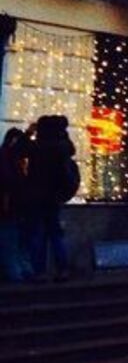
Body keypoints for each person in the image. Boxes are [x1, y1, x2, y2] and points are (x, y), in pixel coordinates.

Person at [26, 116, 78, 281]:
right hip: (54, 197)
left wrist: (28, 133)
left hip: (37, 197)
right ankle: (63, 269)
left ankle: (39, 271)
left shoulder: (39, 147)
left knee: (38, 235)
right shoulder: (63, 147)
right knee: (56, 235)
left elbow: (20, 148)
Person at [0, 129, 32, 282]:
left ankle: (17, 272)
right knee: (13, 241)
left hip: (14, 208)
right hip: (13, 207)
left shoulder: (9, 157)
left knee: (12, 241)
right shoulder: (10, 160)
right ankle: (18, 272)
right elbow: (8, 184)